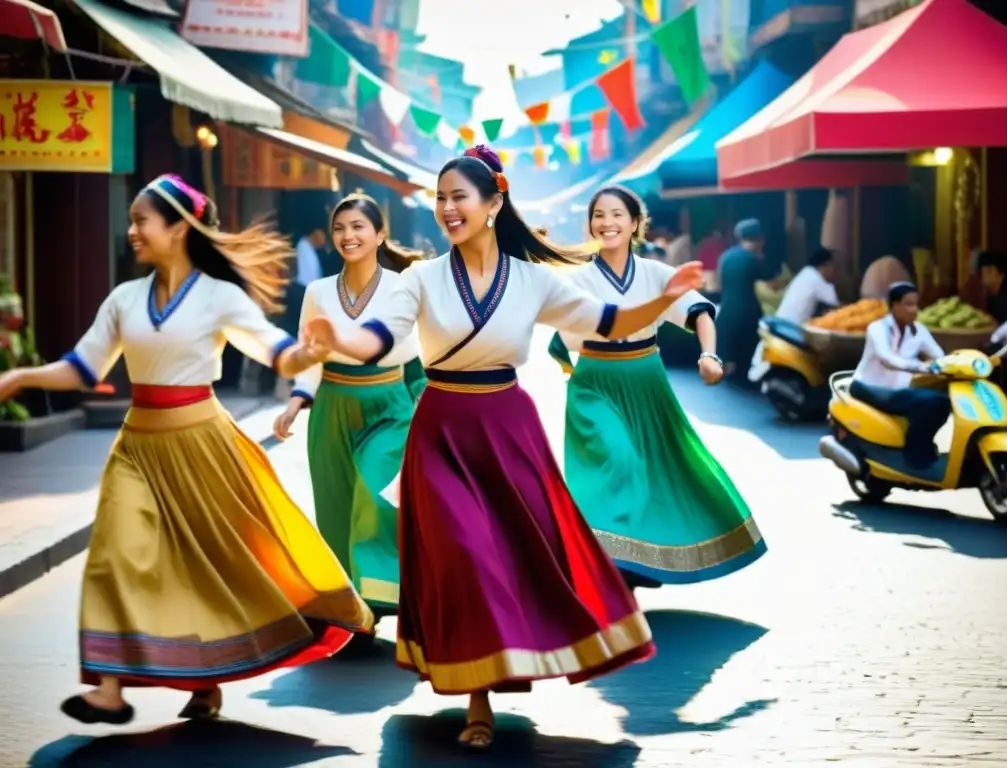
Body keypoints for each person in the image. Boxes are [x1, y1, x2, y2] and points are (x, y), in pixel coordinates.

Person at [302, 145, 704, 750]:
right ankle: (478, 699)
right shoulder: (421, 278)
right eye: (440, 198)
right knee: (464, 550)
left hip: (507, 425)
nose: (446, 208)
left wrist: (661, 299)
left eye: (458, 196)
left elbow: (608, 321)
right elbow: (381, 336)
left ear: (494, 204)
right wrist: (342, 338)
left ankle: (495, 675)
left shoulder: (534, 279)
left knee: (516, 555)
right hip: (440, 427)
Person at [0, 174, 375, 725]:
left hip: (203, 442)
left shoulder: (219, 296)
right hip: (137, 446)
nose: (131, 231)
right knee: (115, 554)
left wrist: (305, 357)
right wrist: (21, 377)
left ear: (177, 228)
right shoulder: (124, 299)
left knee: (209, 566)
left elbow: (277, 353)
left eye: (141, 221)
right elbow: (83, 368)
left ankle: (207, 680)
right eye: (131, 221)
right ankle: (108, 687)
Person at [547, 186, 765, 589]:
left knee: (656, 470)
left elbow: (699, 311)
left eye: (616, 214)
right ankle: (606, 560)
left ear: (634, 224)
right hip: (595, 382)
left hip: (647, 380)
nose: (606, 222)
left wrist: (709, 355)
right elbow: (574, 331)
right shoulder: (577, 279)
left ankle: (635, 560)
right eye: (598, 215)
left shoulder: (656, 273)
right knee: (618, 460)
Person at [273, 193, 426, 635]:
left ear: (380, 234)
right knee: (336, 508)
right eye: (340, 228)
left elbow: (417, 359)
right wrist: (298, 401)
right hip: (333, 408)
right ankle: (355, 608)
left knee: (375, 496)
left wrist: (428, 404)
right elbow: (312, 357)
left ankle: (384, 594)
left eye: (359, 226)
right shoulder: (318, 291)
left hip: (390, 407)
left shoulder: (403, 287)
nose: (347, 236)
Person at [852, 282, 949, 467]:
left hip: (898, 391)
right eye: (908, 304)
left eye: (916, 304)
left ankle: (920, 448)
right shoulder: (877, 328)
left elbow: (939, 355)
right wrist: (921, 367)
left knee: (942, 403)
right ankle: (914, 458)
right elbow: (887, 359)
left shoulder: (919, 330)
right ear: (894, 306)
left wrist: (950, 364)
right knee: (931, 402)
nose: (914, 310)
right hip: (869, 387)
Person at [749, 247, 839, 382]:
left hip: (784, 321)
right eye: (833, 266)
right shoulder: (816, 279)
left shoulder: (806, 273)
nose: (835, 270)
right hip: (793, 327)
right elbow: (837, 305)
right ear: (825, 265)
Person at [717, 219, 778, 383]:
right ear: (761, 239)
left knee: (731, 366)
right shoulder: (753, 259)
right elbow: (774, 284)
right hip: (747, 318)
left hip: (725, 315)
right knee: (746, 365)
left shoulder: (725, 257)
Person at [976, 251, 1007, 324]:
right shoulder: (985, 296)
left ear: (1001, 275)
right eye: (983, 272)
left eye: (989, 272)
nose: (984, 276)